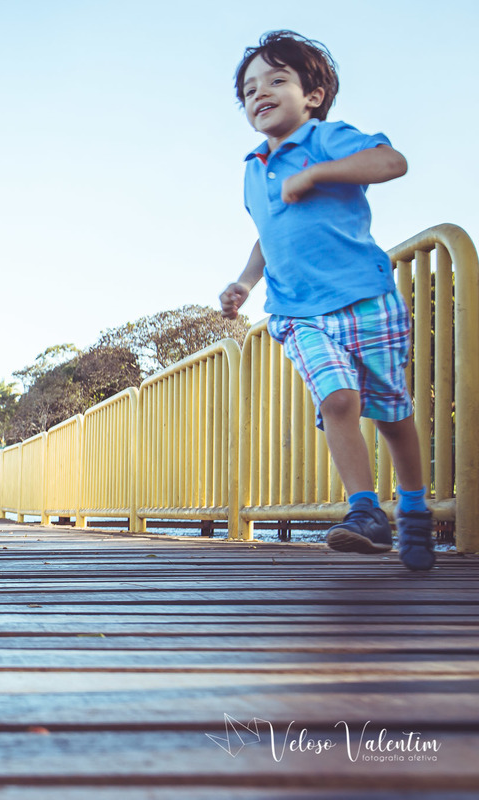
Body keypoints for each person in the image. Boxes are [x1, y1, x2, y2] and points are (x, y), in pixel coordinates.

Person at [220, 30, 434, 571]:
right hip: (297, 311)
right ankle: (365, 512)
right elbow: (269, 233)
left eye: (276, 79)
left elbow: (392, 163)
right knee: (337, 400)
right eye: (248, 89)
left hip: (365, 300)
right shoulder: (252, 168)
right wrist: (246, 282)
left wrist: (318, 172)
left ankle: (412, 507)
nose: (259, 93)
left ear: (311, 96)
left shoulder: (326, 138)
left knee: (391, 412)